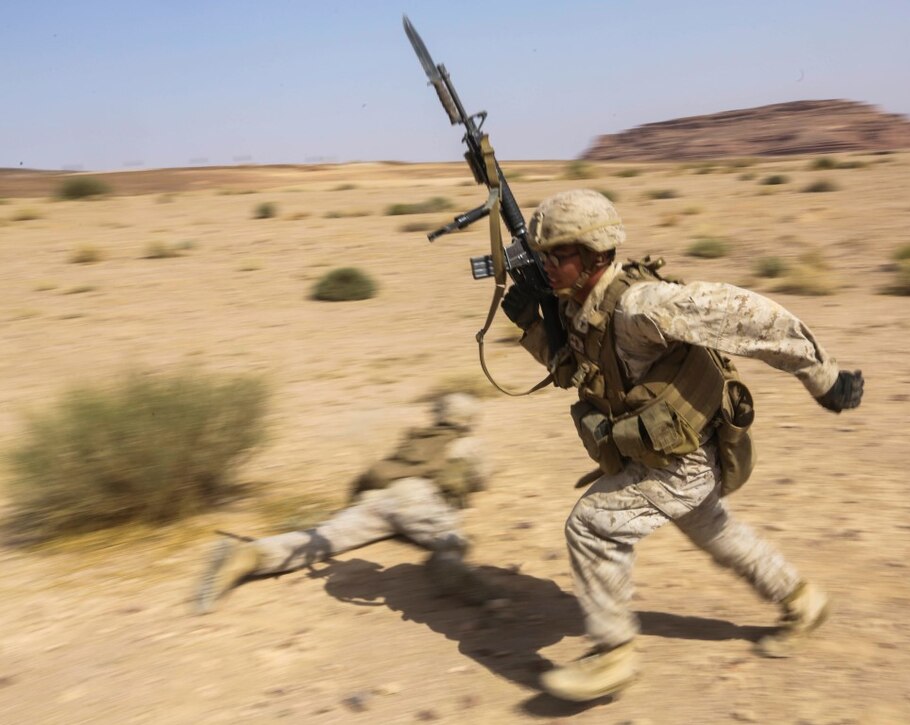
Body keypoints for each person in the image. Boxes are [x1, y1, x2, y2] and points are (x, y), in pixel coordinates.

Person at [500, 189, 864, 702]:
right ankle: (802, 600)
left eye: (557, 256)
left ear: (595, 255)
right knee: (716, 531)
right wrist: (537, 328)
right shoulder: (581, 305)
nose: (547, 267)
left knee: (592, 525)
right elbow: (581, 373)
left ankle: (613, 654)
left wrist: (822, 379)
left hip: (680, 462)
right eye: (543, 258)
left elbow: (751, 317)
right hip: (668, 456)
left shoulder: (639, 306)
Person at [193, 392, 497, 614]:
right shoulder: (469, 443)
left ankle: (252, 554)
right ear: (470, 421)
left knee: (326, 539)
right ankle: (447, 563)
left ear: (438, 414)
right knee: (451, 540)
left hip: (376, 498)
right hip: (420, 500)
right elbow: (480, 480)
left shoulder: (416, 438)